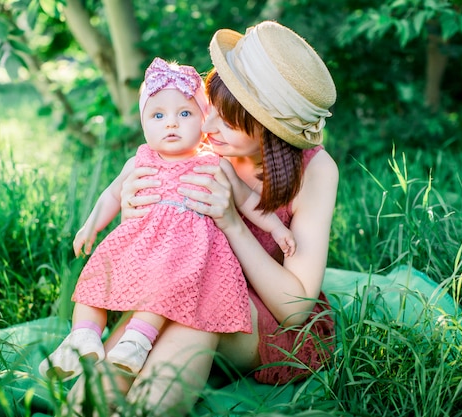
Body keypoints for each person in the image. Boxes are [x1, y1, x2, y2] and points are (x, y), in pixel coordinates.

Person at [79, 21, 339, 415]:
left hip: (265, 318)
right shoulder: (193, 137)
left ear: (272, 130)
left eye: (229, 120)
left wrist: (232, 223)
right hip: (175, 287)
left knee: (195, 308)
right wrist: (132, 209)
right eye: (208, 108)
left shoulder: (315, 172)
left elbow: (295, 308)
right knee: (119, 357)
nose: (208, 126)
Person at [39, 57, 297, 382]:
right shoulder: (140, 160)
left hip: (186, 254)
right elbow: (112, 195)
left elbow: (248, 202)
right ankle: (81, 337)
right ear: (144, 123)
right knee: (95, 282)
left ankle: (138, 340)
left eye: (184, 114)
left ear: (203, 120)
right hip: (140, 244)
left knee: (165, 287)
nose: (171, 124)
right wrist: (91, 225)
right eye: (158, 115)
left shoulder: (213, 163)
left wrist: (276, 226)